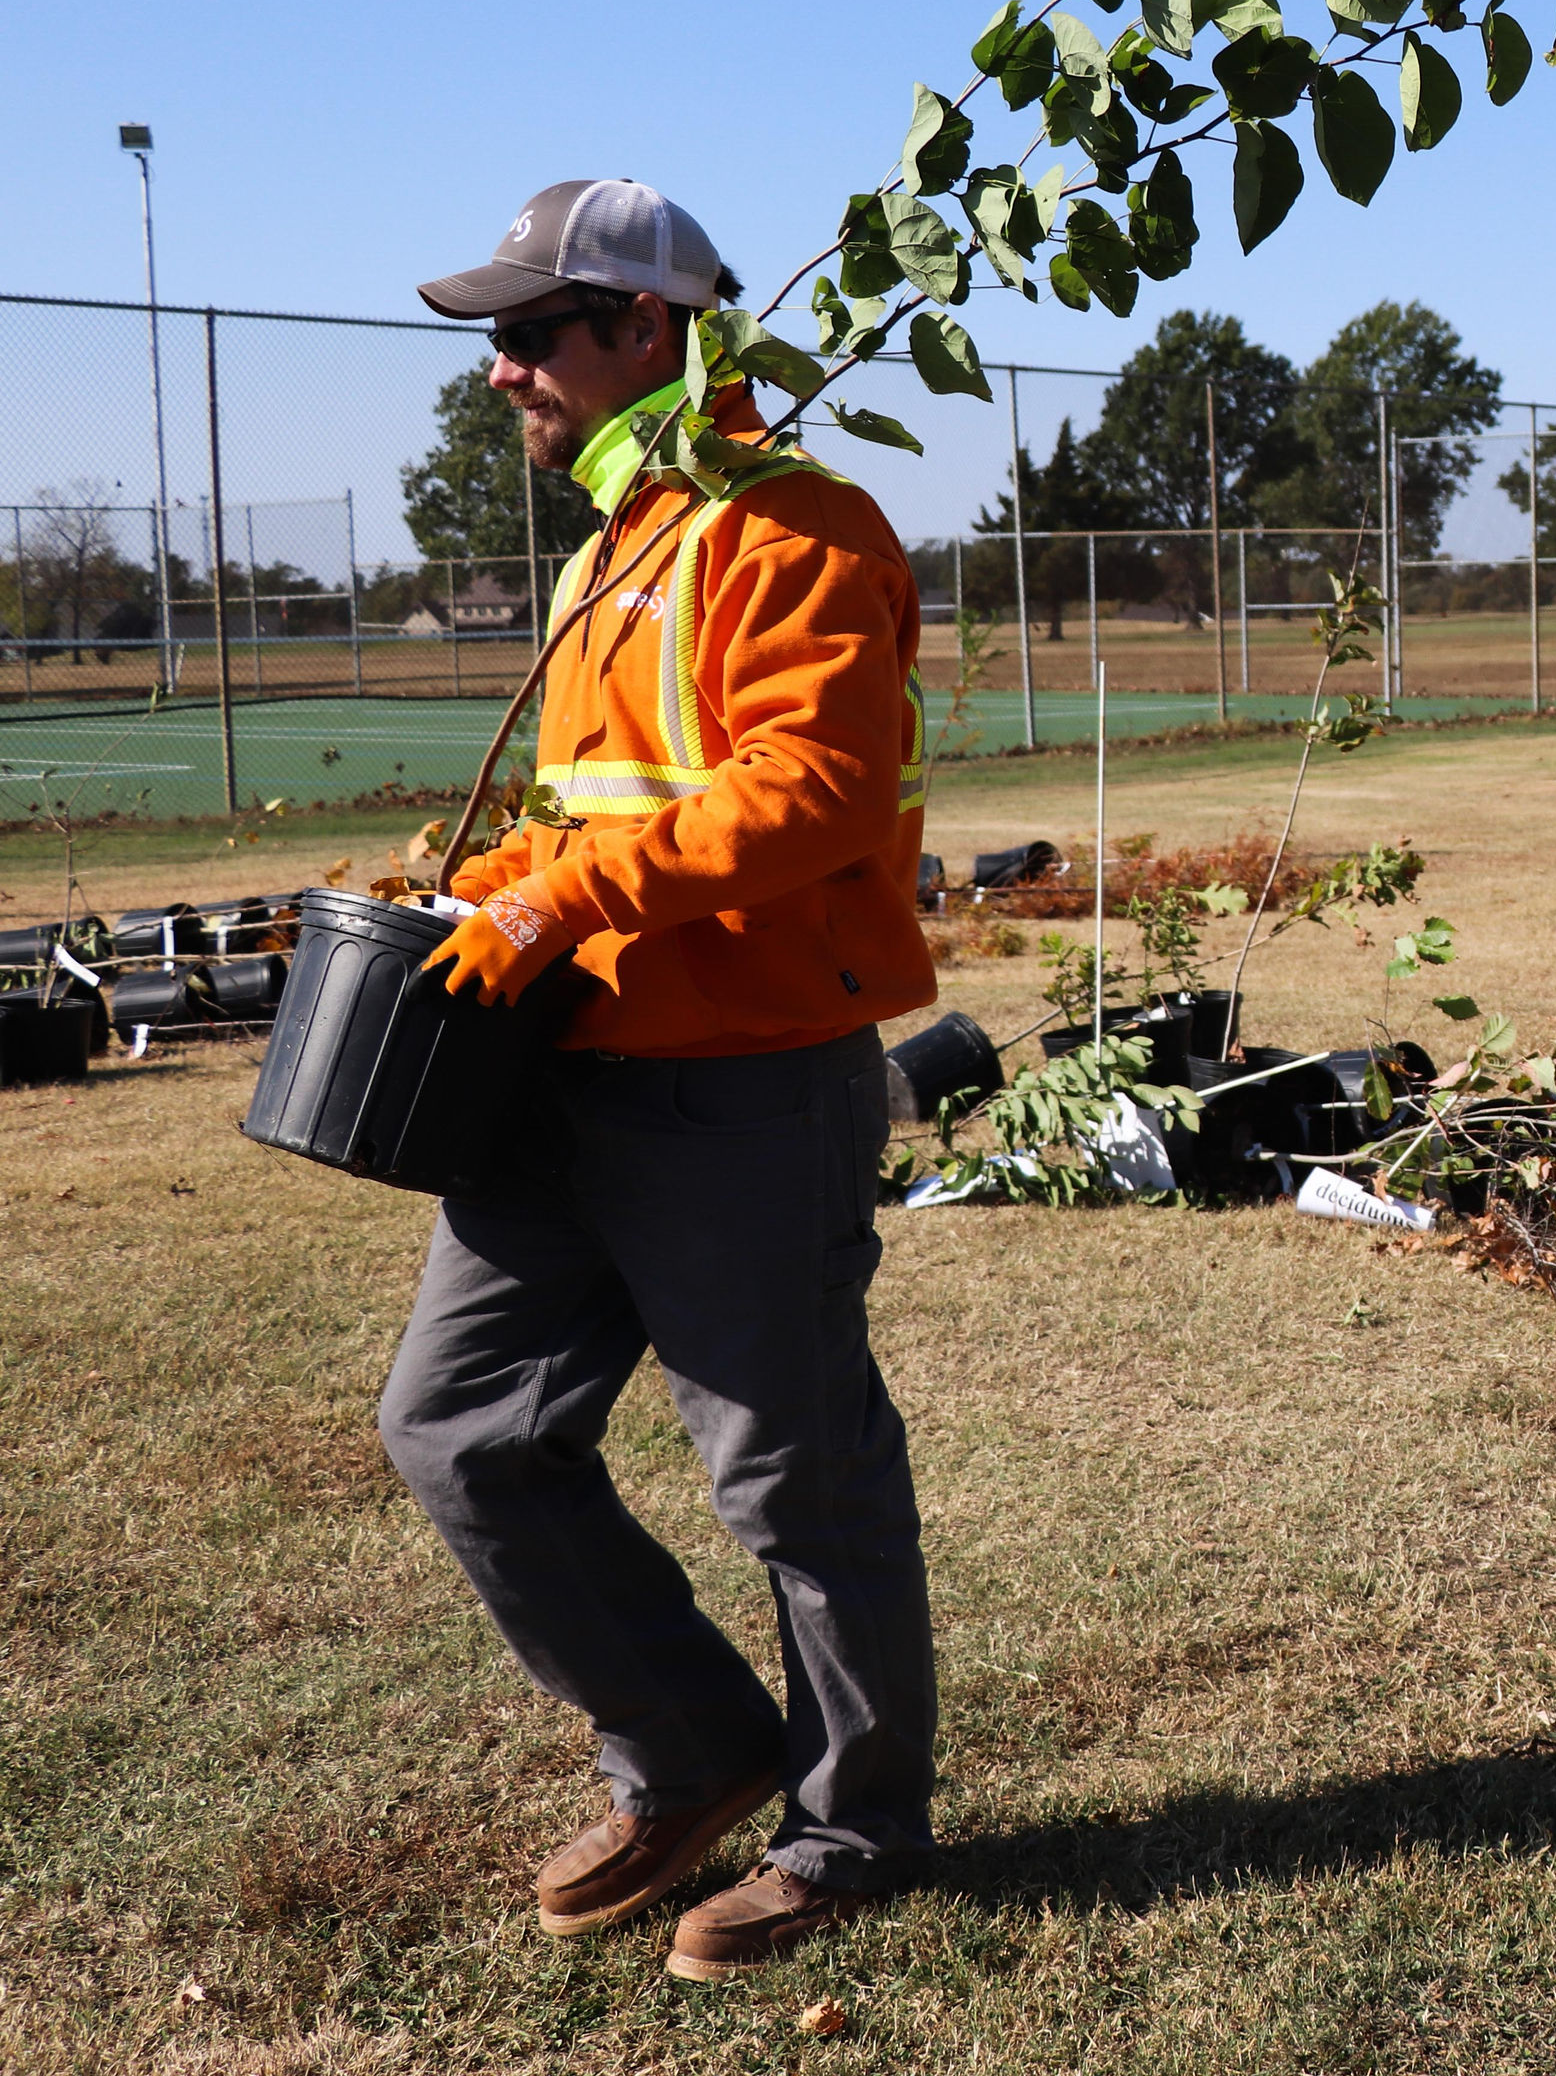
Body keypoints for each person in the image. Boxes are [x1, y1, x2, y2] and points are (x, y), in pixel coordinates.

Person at [379, 179, 939, 1982]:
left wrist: (572, 890)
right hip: (573, 1073)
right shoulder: (616, 542)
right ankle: (692, 1748)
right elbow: (616, 805)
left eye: (531, 333)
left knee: (796, 1476)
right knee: (458, 1426)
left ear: (647, 331)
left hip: (745, 1084)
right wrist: (485, 883)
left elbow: (817, 789)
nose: (499, 372)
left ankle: (850, 1835)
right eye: (497, 339)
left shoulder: (794, 528)